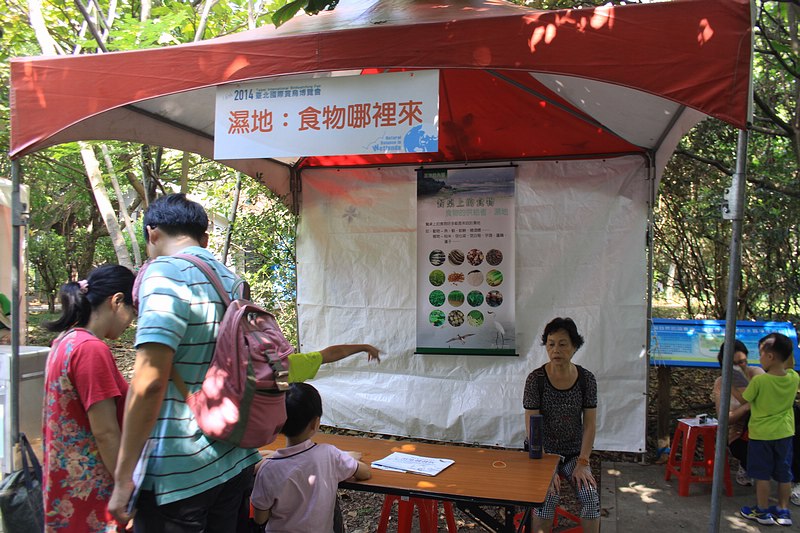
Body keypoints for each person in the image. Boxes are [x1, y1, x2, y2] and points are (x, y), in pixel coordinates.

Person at [107, 193, 380, 532]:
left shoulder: (163, 273)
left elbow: (149, 382)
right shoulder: (231, 281)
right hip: (235, 458)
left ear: (152, 233)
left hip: (180, 471)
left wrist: (122, 477)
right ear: (205, 239)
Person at [41, 264, 136, 532]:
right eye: (133, 311)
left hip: (65, 489)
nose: (131, 321)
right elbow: (105, 432)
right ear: (116, 301)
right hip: (93, 492)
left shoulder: (65, 340)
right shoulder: (91, 350)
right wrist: (125, 487)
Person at [251, 383, 371, 531]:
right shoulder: (330, 454)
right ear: (315, 423)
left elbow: (260, 518)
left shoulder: (268, 469)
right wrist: (346, 457)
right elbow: (364, 472)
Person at [522, 317, 600, 533]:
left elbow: (590, 424)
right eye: (551, 344)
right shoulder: (536, 379)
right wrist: (544, 466)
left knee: (590, 497)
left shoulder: (586, 379)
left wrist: (583, 462)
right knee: (547, 498)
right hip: (542, 453)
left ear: (575, 346)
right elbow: (531, 425)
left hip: (574, 454)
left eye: (563, 344)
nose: (556, 350)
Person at [740, 333, 799, 527]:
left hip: (761, 435)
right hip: (784, 433)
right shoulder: (793, 378)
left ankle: (762, 510)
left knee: (762, 474)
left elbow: (745, 399)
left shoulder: (760, 381)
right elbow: (789, 364)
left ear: (770, 356)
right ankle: (783, 510)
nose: (759, 358)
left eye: (761, 354)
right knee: (784, 474)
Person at [712, 339, 764, 487]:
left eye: (742, 362)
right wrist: (747, 406)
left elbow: (765, 404)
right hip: (739, 434)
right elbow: (725, 419)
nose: (738, 367)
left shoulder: (756, 374)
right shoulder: (721, 382)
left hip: (763, 429)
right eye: (733, 364)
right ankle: (747, 465)